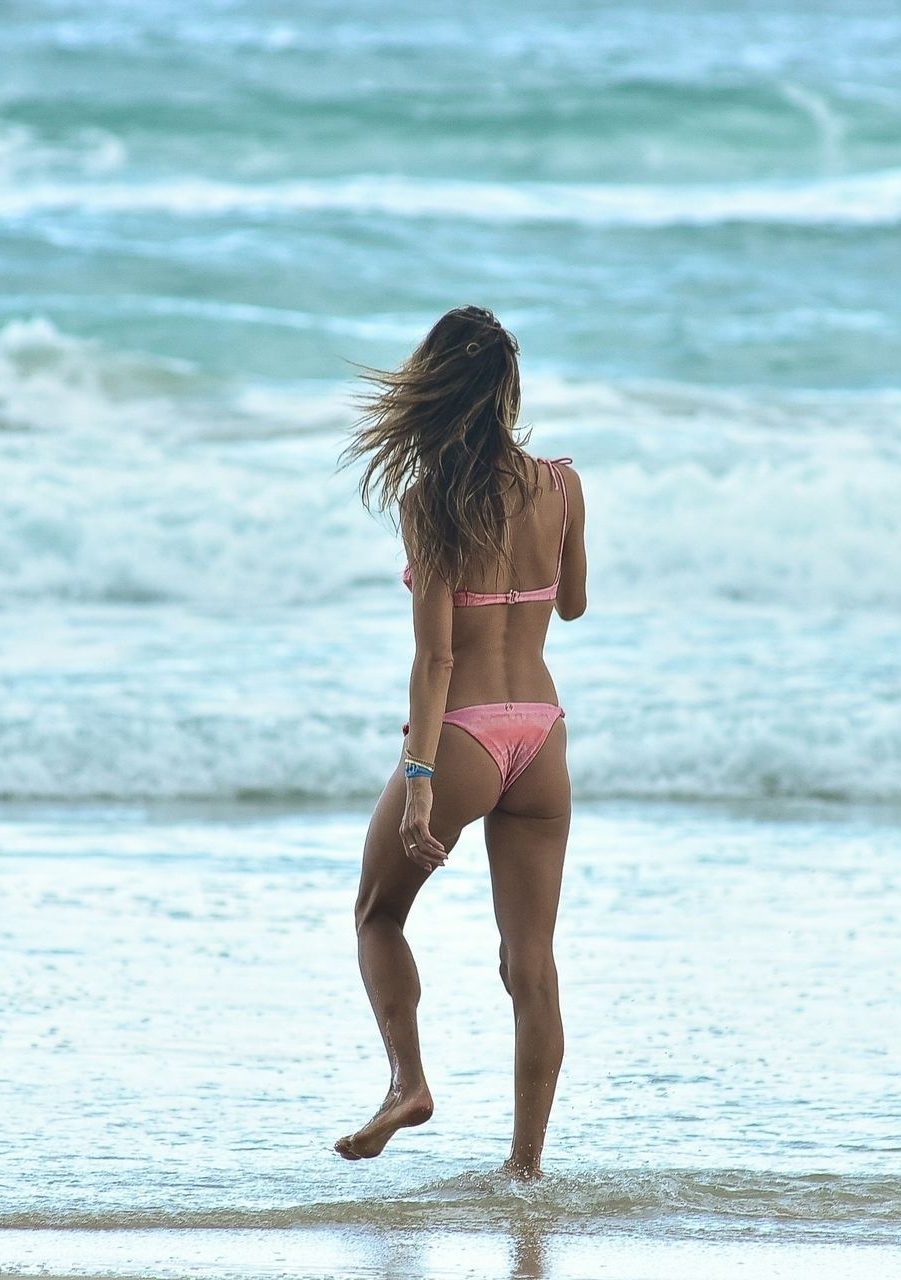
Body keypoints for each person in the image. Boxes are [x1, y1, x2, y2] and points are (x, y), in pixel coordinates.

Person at [332, 305, 587, 1179]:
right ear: (506, 390)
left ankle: (407, 1084)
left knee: (378, 914)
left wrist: (420, 780)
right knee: (531, 963)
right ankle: (525, 1169)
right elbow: (573, 604)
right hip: (541, 734)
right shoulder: (563, 486)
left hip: (466, 737)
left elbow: (436, 657)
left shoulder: (430, 500)